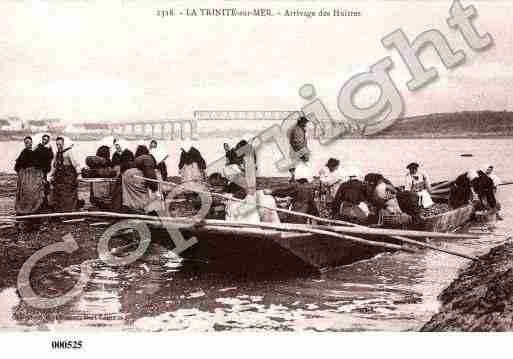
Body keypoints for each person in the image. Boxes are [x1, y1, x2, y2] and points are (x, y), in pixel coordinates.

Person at [121, 145, 160, 213]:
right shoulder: (146, 161)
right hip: (142, 206)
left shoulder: (127, 170)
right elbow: (151, 180)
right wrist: (155, 189)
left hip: (128, 205)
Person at [14, 136, 46, 216]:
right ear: (25, 144)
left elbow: (40, 164)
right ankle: (25, 209)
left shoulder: (36, 152)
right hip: (25, 176)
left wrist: (40, 174)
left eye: (29, 142)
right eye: (26, 143)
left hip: (34, 176)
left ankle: (35, 208)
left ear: (32, 142)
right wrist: (22, 172)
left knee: (34, 191)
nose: (28, 144)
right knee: (25, 192)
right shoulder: (24, 152)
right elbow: (17, 166)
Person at [49, 137, 80, 212]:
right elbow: (54, 166)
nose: (58, 146)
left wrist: (79, 175)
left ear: (63, 144)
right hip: (59, 177)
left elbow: (75, 165)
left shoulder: (69, 152)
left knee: (68, 194)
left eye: (60, 144)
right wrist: (51, 175)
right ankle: (60, 211)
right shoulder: (57, 153)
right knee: (57, 192)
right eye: (57, 145)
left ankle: (69, 211)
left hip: (69, 176)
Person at [32, 134, 54, 208]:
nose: (45, 141)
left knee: (45, 185)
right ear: (42, 139)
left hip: (46, 169)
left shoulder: (49, 147)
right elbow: (35, 156)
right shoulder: (39, 147)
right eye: (44, 139)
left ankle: (45, 202)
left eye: (47, 139)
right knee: (40, 185)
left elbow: (51, 156)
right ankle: (40, 202)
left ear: (48, 140)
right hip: (39, 169)